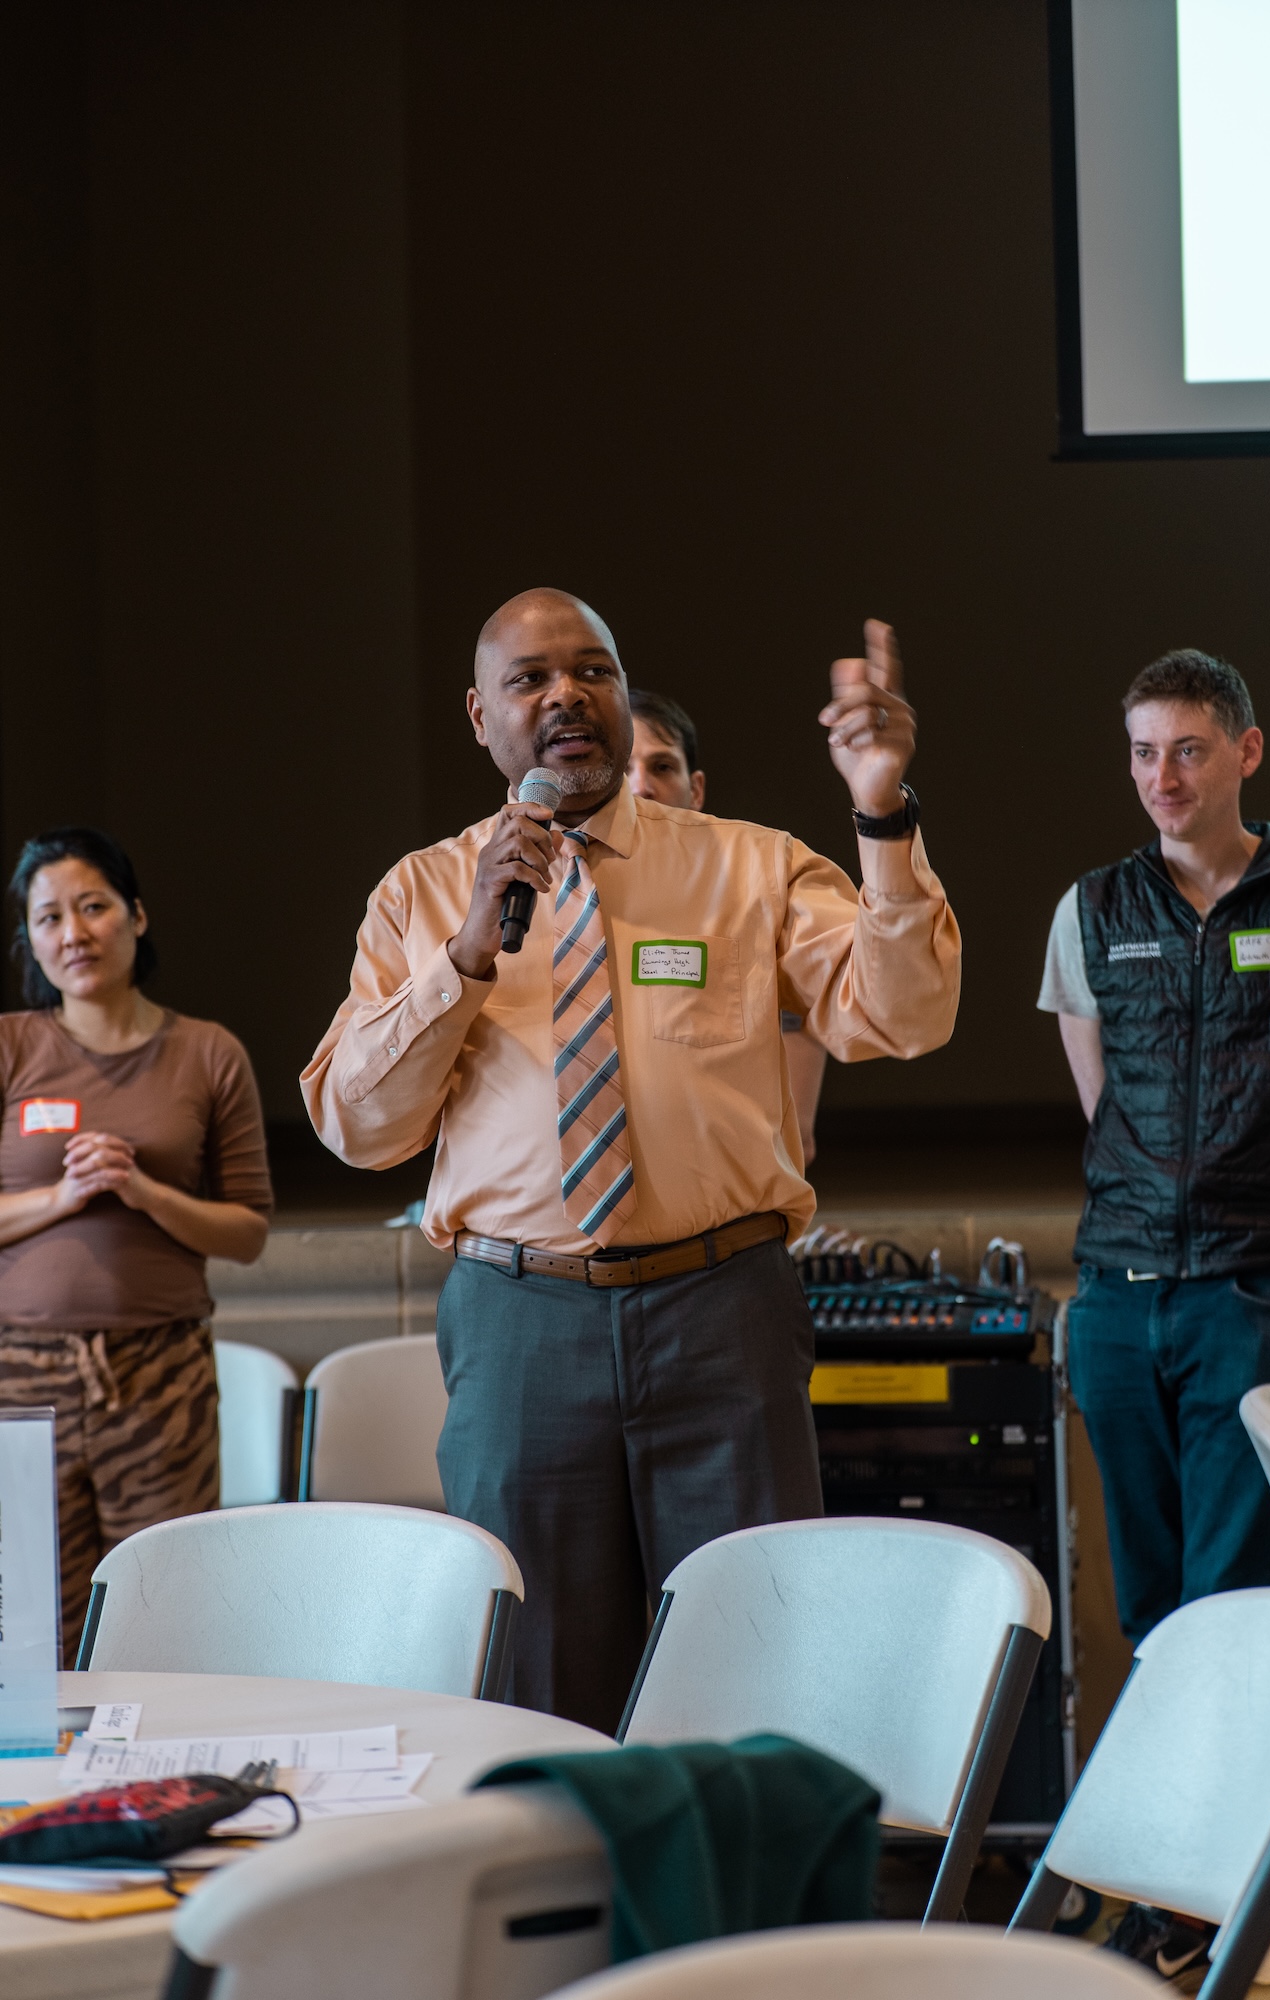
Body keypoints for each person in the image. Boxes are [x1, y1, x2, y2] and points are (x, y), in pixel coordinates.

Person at [303, 587, 960, 1734]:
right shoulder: (423, 893)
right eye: (531, 679)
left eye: (592, 671)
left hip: (722, 1311)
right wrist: (463, 954)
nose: (567, 695)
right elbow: (359, 1127)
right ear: (480, 716)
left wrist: (882, 815)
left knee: (754, 1664)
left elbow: (899, 1015)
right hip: (522, 1322)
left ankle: (750, 1914)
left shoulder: (749, 867)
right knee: (537, 1680)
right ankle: (566, 1909)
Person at [1039, 649, 1270, 1645]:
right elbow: (1101, 1099)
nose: (1162, 777)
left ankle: (1236, 1797)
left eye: (1189, 751)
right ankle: (1162, 1793)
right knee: (1148, 1599)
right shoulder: (1090, 909)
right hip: (1119, 1293)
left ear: (1246, 751)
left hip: (1257, 1289)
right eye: (1143, 752)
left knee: (1228, 1594)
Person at [0, 829, 272, 1660]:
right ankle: (40, 1792)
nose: (73, 933)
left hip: (162, 1375)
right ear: (32, 940)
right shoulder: (10, 1045)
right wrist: (66, 1194)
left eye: (93, 907)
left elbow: (249, 1233)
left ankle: (168, 1790)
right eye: (49, 918)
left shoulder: (208, 1051)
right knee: (31, 1625)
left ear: (137, 916)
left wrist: (144, 1192)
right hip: (19, 1376)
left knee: (166, 1618)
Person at [626, 687, 831, 1164]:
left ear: (695, 788)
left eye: (661, 766)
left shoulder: (749, 887)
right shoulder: (559, 901)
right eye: (624, 768)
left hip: (723, 1195)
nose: (641, 786)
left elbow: (796, 1135)